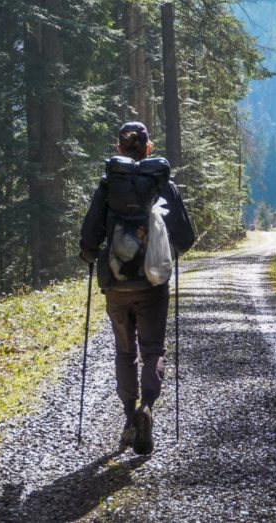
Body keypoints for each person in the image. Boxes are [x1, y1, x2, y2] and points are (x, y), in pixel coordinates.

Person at [80, 121, 196, 455]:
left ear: (120, 149)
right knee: (153, 349)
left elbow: (89, 239)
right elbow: (185, 239)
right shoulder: (162, 184)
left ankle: (130, 416)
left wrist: (90, 254)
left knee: (124, 350)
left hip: (116, 286)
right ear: (147, 149)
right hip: (153, 283)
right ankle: (147, 406)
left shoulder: (108, 186)